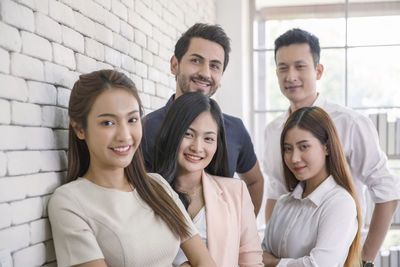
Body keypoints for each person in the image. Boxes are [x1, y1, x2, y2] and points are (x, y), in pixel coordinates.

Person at [48, 70, 216, 267]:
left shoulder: (157, 185)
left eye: (132, 120)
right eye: (108, 122)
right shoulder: (69, 202)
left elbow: (204, 262)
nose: (125, 136)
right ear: (80, 129)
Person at [263, 28, 400, 266]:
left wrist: (363, 259)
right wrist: (272, 253)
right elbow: (276, 194)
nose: (290, 76)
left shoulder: (351, 123)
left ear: (318, 70)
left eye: (299, 66)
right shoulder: (273, 130)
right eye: (283, 68)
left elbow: (387, 193)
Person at [142, 23, 264, 214]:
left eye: (215, 66)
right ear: (175, 65)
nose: (205, 73)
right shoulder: (145, 128)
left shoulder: (235, 129)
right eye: (196, 61)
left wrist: (241, 231)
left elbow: (255, 181)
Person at [152, 92, 263, 267]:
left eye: (208, 138)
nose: (197, 147)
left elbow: (252, 263)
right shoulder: (147, 192)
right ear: (172, 133)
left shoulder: (236, 192)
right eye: (188, 134)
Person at [263, 106, 362, 267]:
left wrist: (274, 263)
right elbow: (258, 257)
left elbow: (320, 264)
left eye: (304, 147)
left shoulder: (340, 203)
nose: (294, 158)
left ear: (327, 147)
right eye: (288, 149)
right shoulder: (283, 203)